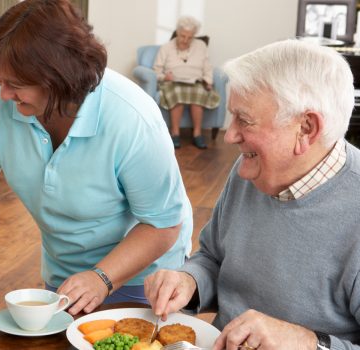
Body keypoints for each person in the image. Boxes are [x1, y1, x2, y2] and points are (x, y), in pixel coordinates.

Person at [0, 0, 192, 316]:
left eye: (14, 84)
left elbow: (163, 225)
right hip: (67, 275)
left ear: (58, 77)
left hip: (145, 279)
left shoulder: (131, 118)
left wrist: (102, 277)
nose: (2, 93)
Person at [144, 40, 360, 349]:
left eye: (243, 120)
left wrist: (310, 343)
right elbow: (213, 257)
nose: (230, 135)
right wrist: (189, 281)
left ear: (306, 128)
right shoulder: (251, 170)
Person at [153, 15, 220, 150]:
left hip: (195, 82)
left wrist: (208, 81)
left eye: (190, 37)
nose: (185, 40)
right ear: (177, 32)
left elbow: (207, 67)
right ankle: (175, 133)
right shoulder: (166, 48)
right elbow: (156, 70)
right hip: (172, 83)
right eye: (183, 36)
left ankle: (197, 134)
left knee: (199, 94)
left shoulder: (201, 46)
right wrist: (165, 77)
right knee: (177, 93)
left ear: (194, 35)